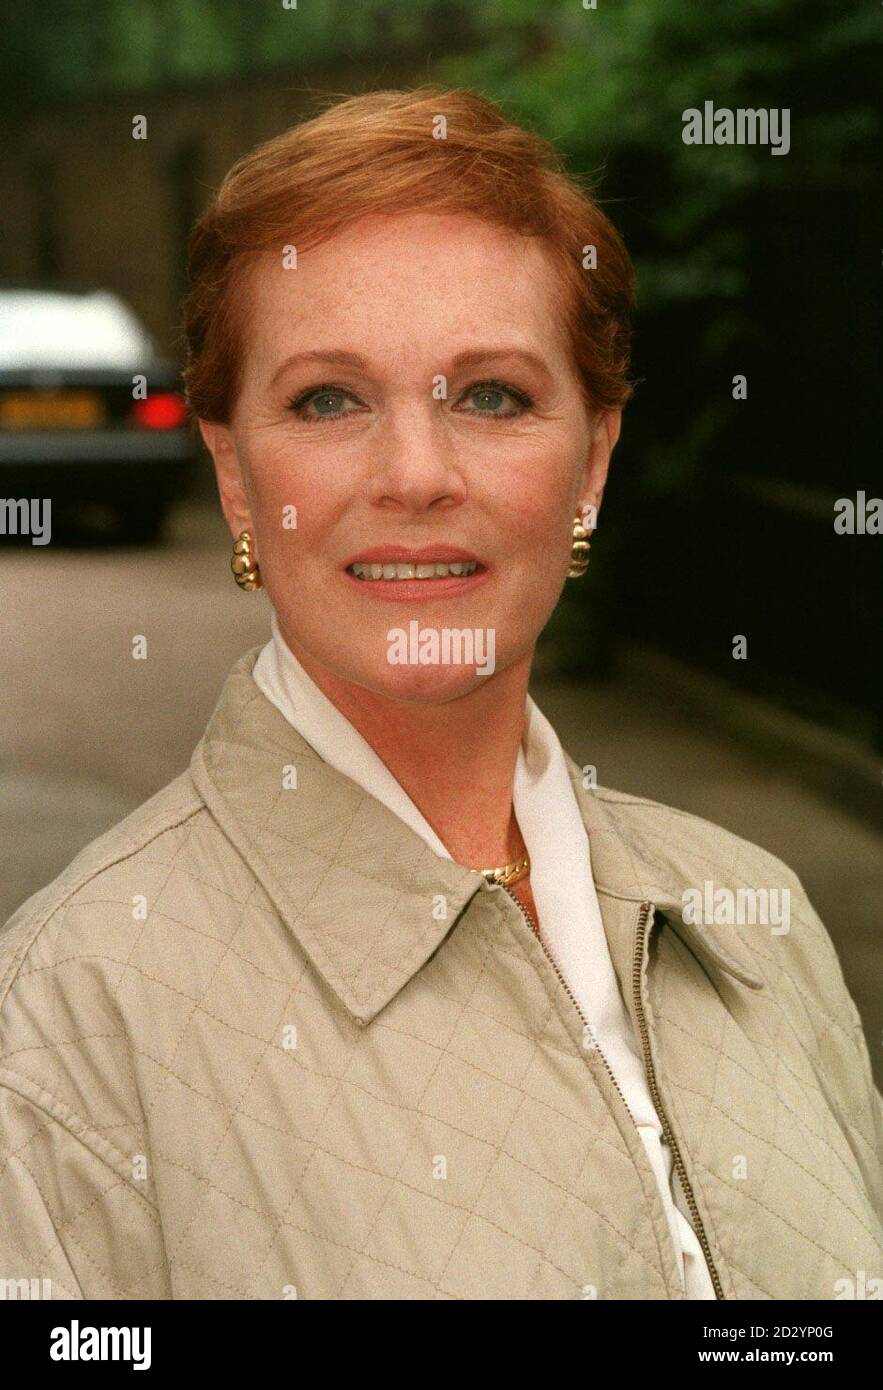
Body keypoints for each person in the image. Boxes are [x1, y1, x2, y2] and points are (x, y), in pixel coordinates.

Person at [0, 86, 880, 1301]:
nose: (416, 473)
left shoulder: (760, 922)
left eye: (491, 396)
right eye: (327, 399)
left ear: (594, 460)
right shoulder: (61, 1023)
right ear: (236, 477)